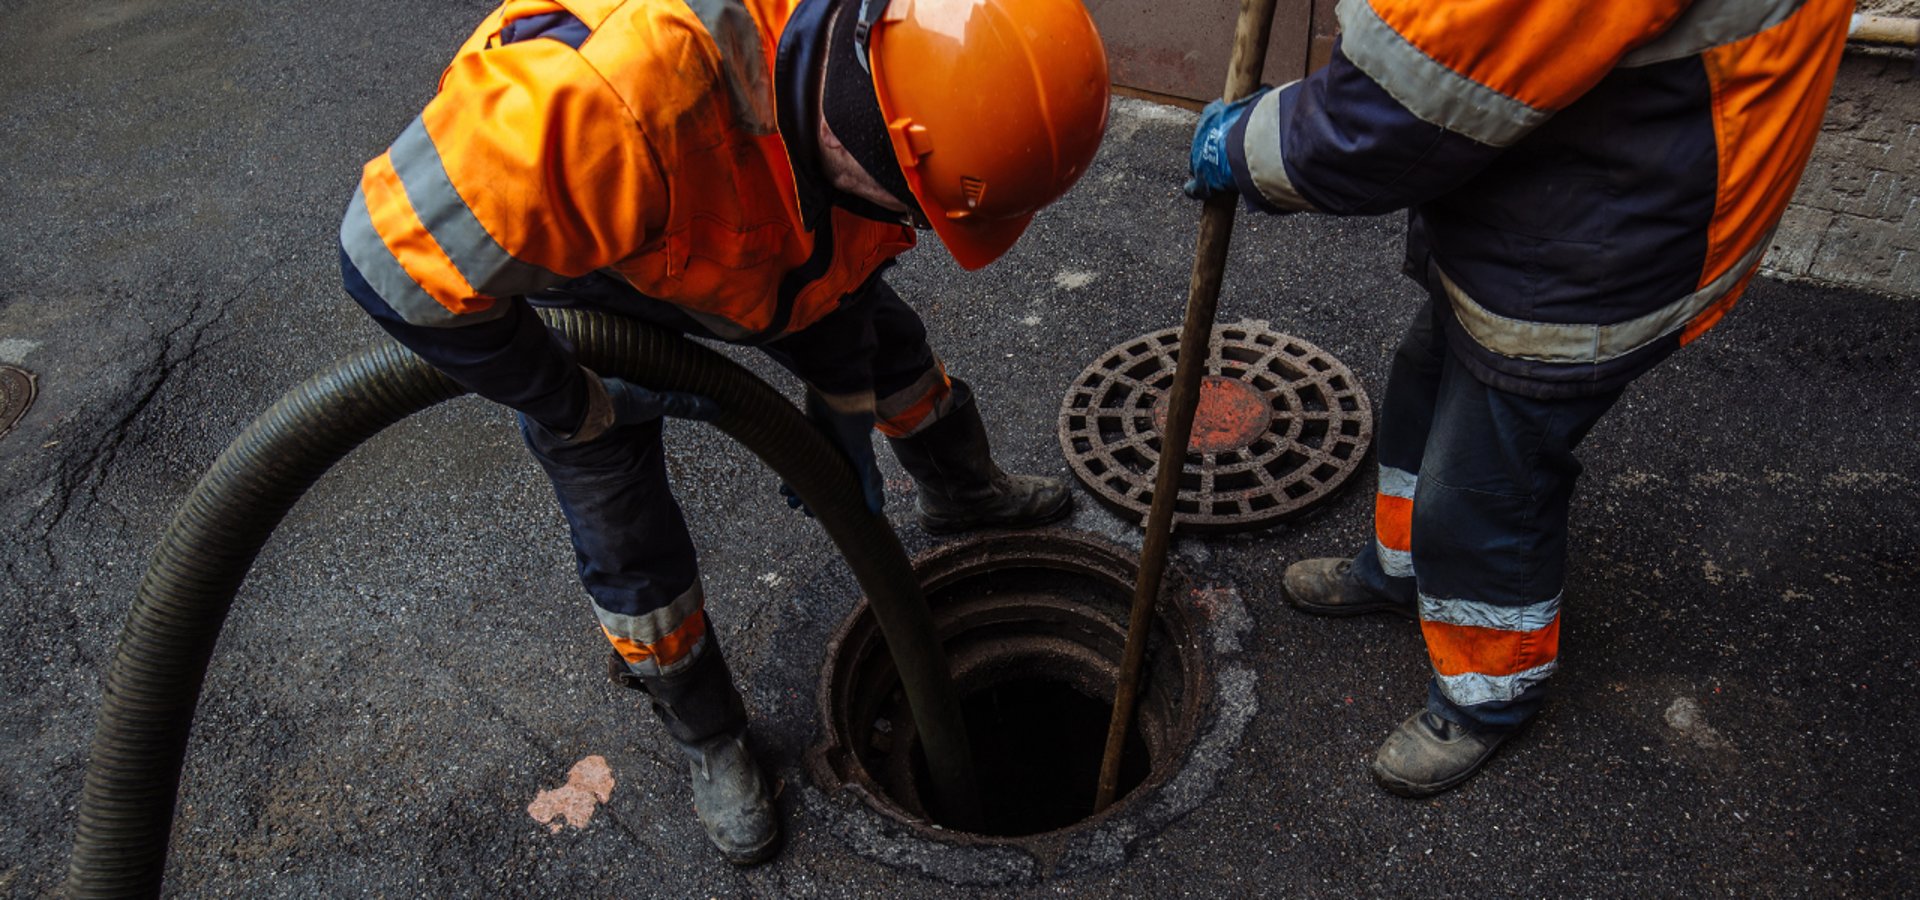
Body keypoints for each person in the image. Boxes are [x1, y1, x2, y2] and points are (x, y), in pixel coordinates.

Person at [338, 0, 1109, 864]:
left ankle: (962, 491)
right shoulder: (603, 98)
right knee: (623, 527)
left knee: (887, 350)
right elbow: (383, 261)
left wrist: (841, 420)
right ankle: (708, 735)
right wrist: (569, 397)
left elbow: (846, 272)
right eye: (920, 204)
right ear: (866, 124)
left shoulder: (882, 90)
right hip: (598, 266)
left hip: (760, 232)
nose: (923, 227)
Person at [1187, 0, 1851, 797]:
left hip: (1611, 224)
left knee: (1484, 486)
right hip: (1554, 164)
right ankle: (1401, 571)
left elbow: (1398, 105)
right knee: (1421, 384)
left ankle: (1487, 694)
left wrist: (1255, 141)